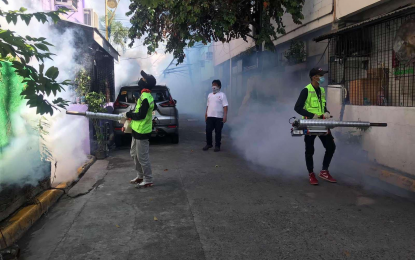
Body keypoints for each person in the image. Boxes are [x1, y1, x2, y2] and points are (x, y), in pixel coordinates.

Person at [294, 68, 337, 185]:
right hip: (310, 124)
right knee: (309, 150)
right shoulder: (306, 90)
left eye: (323, 75)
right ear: (314, 77)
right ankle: (311, 173)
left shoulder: (322, 90)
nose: (323, 77)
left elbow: (322, 106)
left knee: (331, 146)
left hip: (322, 124)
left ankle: (324, 171)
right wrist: (312, 115)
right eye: (320, 75)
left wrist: (326, 112)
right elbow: (297, 108)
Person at [124, 70, 157, 188]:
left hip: (142, 131)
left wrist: (129, 115)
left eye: (143, 79)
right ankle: (140, 176)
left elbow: (141, 115)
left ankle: (148, 179)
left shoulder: (146, 98)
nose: (141, 80)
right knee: (134, 154)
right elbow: (141, 111)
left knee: (142, 157)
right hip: (136, 130)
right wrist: (132, 114)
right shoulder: (143, 96)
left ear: (146, 84)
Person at [203, 80, 229, 152]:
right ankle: (209, 144)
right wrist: (206, 114)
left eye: (215, 85)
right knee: (208, 130)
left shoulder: (222, 95)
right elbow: (208, 105)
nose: (213, 86)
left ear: (219, 86)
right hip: (210, 116)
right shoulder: (209, 95)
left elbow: (225, 106)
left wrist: (225, 116)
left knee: (218, 132)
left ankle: (217, 146)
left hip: (219, 117)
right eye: (212, 85)